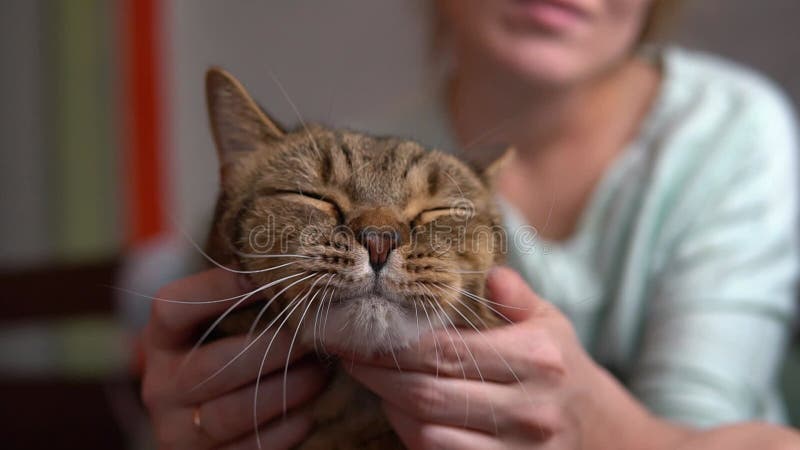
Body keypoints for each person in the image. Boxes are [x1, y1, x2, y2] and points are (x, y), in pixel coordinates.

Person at [139, 0, 800, 448]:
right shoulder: (368, 140)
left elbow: (708, 426)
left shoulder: (734, 131)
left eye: (435, 213)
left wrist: (592, 424)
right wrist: (187, 408)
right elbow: (180, 291)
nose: (380, 235)